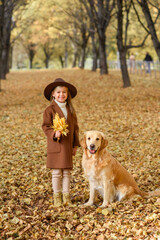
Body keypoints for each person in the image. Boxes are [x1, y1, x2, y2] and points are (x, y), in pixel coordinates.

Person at [42, 78, 80, 207]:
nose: (61, 95)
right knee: (57, 172)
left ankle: (66, 196)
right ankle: (57, 197)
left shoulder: (71, 110)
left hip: (68, 146)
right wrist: (54, 133)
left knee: (67, 172)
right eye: (58, 92)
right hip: (56, 145)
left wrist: (75, 145)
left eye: (64, 92)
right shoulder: (49, 110)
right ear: (53, 94)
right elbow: (46, 126)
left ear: (67, 94)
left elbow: (75, 129)